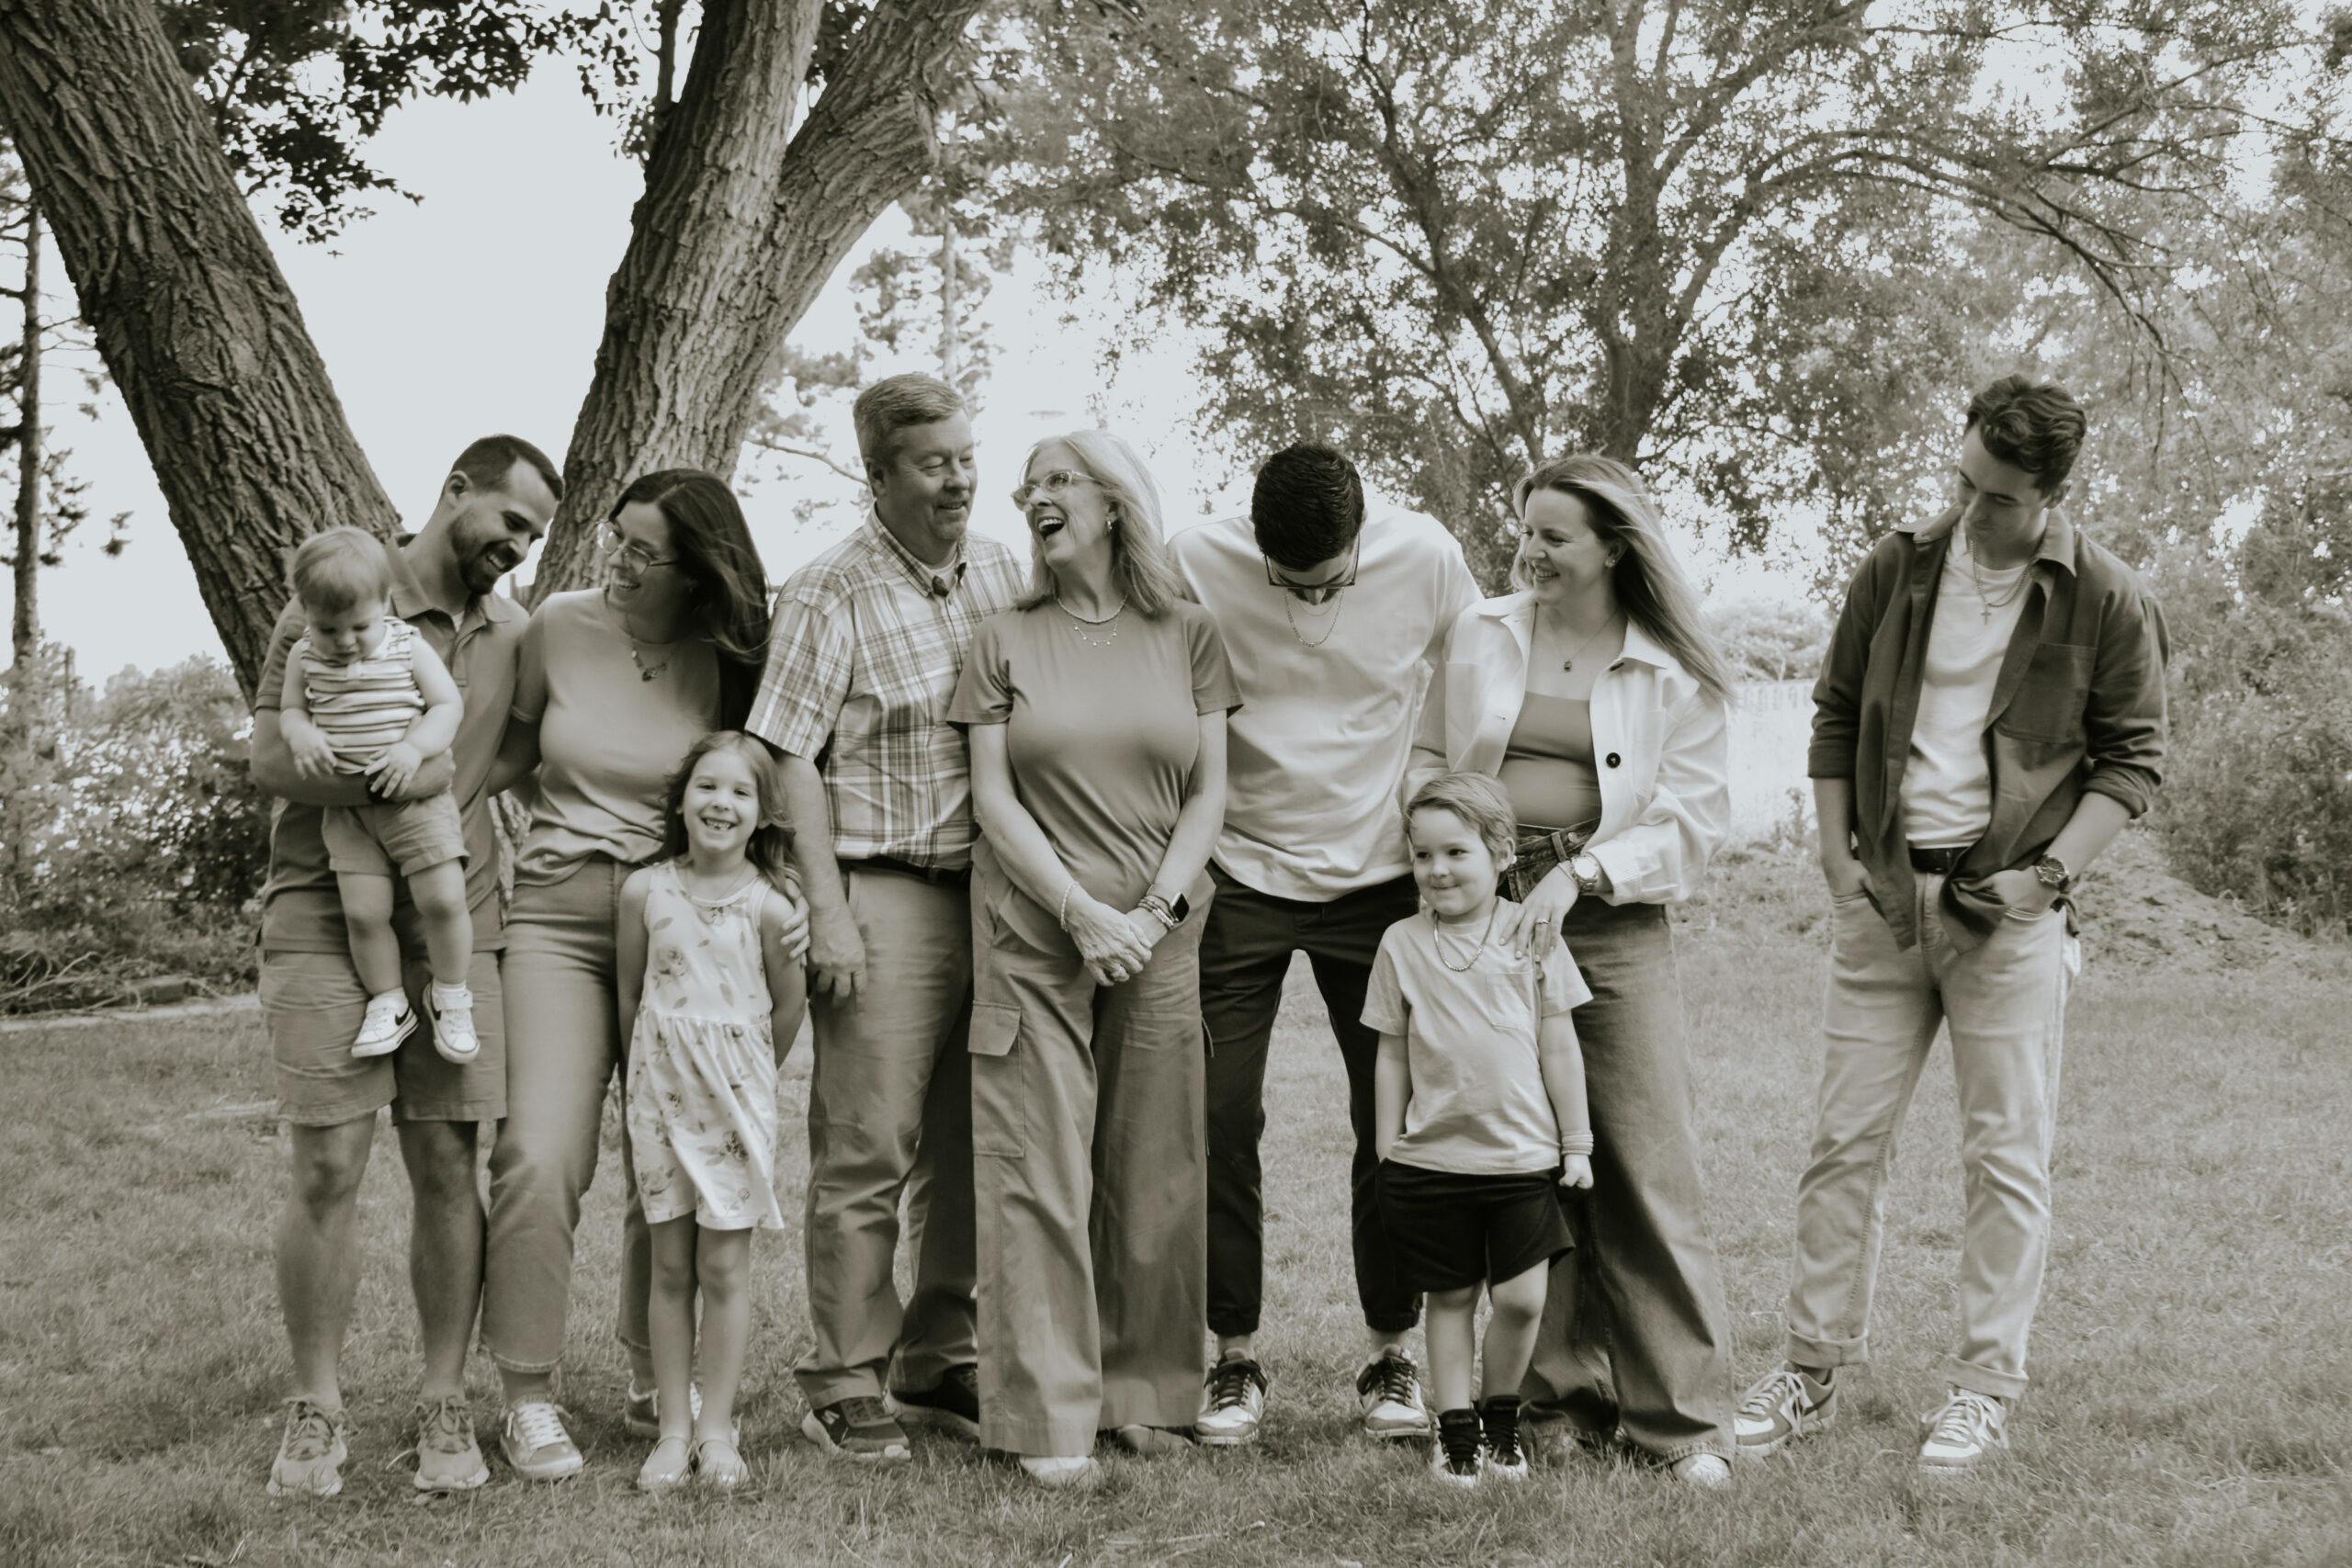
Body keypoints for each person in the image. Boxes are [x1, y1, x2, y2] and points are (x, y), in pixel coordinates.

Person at [1734, 377, 2167, 1476]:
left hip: (2007, 917)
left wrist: (2046, 881)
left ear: (2051, 492)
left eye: (1999, 498)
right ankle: (1809, 1370)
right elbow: (1836, 713)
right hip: (1883, 901)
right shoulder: (1897, 566)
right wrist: (1835, 858)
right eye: (1963, 481)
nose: (1970, 511)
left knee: (2004, 1158)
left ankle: (1980, 1392)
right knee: (1842, 1145)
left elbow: (2132, 761)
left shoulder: (2106, 597)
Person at [1408, 452, 1738, 1487]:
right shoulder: (1481, 631)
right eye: (1525, 530)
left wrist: (1581, 874)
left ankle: (1682, 1423)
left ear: (1614, 546)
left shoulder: (1672, 668)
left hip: (1610, 919)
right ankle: (1551, 1403)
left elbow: (1690, 825)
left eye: (1554, 535)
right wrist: (1452, 857)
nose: (1530, 551)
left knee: (1643, 1160)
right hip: (1485, 920)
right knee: (1524, 1158)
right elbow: (1428, 757)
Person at [247, 434, 560, 1496]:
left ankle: (442, 1399)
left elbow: (516, 747)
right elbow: (270, 757)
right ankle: (316, 1407)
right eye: (509, 521)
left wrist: (454, 791)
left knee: (447, 1163)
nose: (517, 547)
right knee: (328, 1164)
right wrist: (404, 784)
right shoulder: (337, 596)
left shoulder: (514, 630)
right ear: (455, 488)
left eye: (534, 536)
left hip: (455, 916)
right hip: (322, 903)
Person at [481, 468, 793, 1481]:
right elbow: (512, 751)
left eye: (644, 550)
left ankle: (660, 1378)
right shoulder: (558, 624)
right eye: (616, 537)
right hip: (562, 918)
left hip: (686, 919)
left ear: (695, 568)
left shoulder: (731, 657)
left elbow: (766, 782)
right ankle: (527, 1395)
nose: (617, 560)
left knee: (679, 1155)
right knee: (539, 1153)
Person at [1169, 444, 1477, 1446]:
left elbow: (1478, 677)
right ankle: (1233, 1357)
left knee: (1391, 1118)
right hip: (1239, 876)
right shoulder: (1193, 557)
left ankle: (1392, 1353)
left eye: (1330, 584)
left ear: (1361, 535)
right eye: (1287, 583)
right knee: (1217, 1116)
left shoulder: (1425, 555)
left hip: (1378, 880)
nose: (1309, 600)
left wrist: (1442, 815)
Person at [948, 428, 1238, 1490]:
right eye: (1027, 487)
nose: (1034, 497)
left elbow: (1210, 791)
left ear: (1114, 504)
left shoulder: (1190, 632)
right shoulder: (1001, 637)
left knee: (1153, 1164)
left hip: (1159, 933)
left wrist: (1150, 913)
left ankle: (1143, 1392)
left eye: (1057, 480)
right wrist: (1078, 911)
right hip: (1033, 931)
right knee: (1035, 1167)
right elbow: (992, 797)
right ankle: (1045, 1412)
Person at [750, 373, 1024, 1462]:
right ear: (876, 475)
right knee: (867, 1147)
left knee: (968, 1145)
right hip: (884, 890)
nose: (958, 480)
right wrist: (827, 912)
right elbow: (787, 755)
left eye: (965, 457)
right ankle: (846, 1375)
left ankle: (936, 1354)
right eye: (932, 463)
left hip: (993, 899)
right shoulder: (829, 591)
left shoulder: (1002, 569)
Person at [1368, 773, 1595, 1490]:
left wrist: (1577, 1143)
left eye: (1455, 852)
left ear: (1501, 853)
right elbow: (1390, 1051)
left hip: (1521, 1158)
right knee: (1451, 1298)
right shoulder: (1401, 942)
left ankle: (1502, 1414)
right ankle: (1457, 1428)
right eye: (1423, 854)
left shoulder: (1534, 934)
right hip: (1434, 1160)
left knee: (1523, 1299)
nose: (1437, 869)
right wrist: (1385, 1144)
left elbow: (1560, 1044)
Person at [619, 731, 809, 1491]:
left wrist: (741, 1076)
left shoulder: (770, 907)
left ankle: (718, 1430)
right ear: (681, 799)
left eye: (739, 791)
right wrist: (644, 1081)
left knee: (723, 1265)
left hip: (734, 1107)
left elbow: (786, 1011)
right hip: (659, 1102)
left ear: (762, 813)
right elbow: (630, 994)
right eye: (707, 785)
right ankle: (673, 1428)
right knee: (669, 1264)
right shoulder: (644, 892)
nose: (720, 802)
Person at [277, 528, 478, 1063]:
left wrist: (414, 748)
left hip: (417, 804)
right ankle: (389, 1002)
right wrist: (302, 734)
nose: (344, 641)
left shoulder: (407, 645)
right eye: (328, 628)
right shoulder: (303, 656)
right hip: (349, 814)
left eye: (359, 626)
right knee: (364, 914)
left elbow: (447, 707)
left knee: (443, 899)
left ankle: (451, 994)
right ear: (306, 613)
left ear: (385, 603)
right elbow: (291, 710)